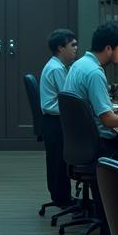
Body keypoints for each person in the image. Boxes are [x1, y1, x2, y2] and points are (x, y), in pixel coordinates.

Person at [62, 23, 118, 235]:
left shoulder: (79, 65)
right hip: (100, 144)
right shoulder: (94, 73)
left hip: (83, 143)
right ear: (109, 48)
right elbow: (107, 119)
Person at [39, 28, 78, 207]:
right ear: (60, 48)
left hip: (52, 120)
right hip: (55, 121)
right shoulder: (57, 69)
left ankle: (60, 197)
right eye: (72, 45)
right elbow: (68, 97)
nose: (76, 48)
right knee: (58, 163)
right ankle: (63, 200)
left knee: (56, 161)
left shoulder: (56, 66)